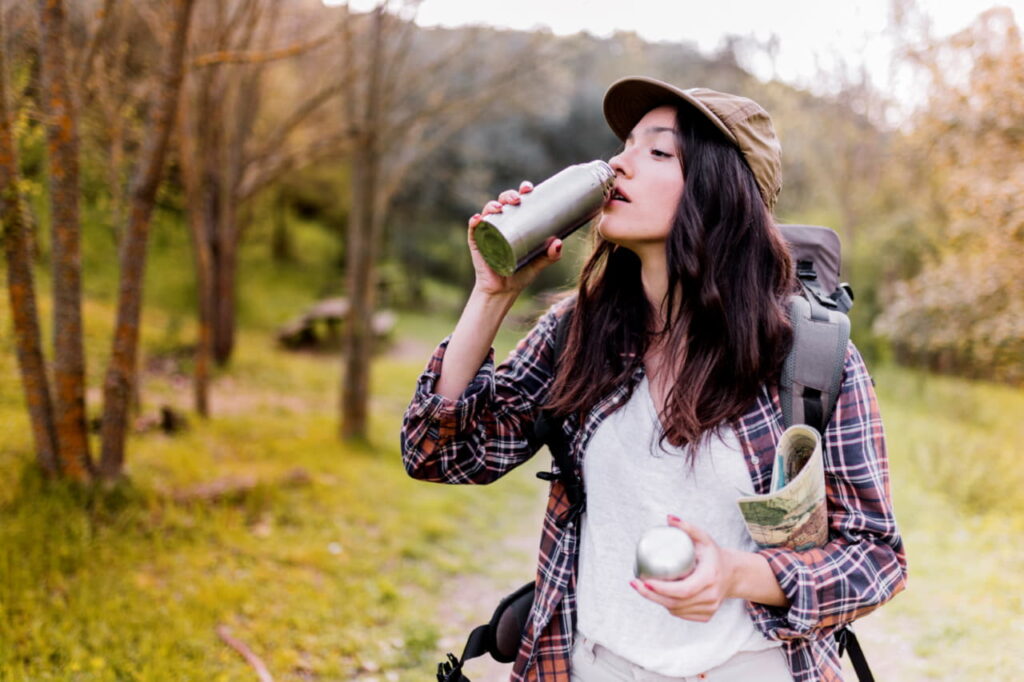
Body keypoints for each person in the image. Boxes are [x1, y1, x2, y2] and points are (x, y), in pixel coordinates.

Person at [401, 76, 907, 682]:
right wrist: (491, 295)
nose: (619, 163)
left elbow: (876, 556)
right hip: (589, 666)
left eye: (659, 151)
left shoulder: (809, 356)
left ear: (721, 194)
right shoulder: (579, 333)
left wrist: (737, 575)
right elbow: (440, 453)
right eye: (626, 145)